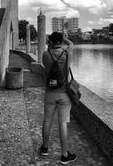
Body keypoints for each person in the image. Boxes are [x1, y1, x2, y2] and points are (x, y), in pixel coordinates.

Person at [40, 32, 76, 165]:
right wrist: (63, 37)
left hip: (49, 93)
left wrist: (51, 41)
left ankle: (45, 148)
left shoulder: (45, 54)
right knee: (62, 123)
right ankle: (65, 155)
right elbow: (71, 44)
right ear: (61, 41)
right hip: (64, 93)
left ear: (50, 41)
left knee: (47, 120)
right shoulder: (67, 53)